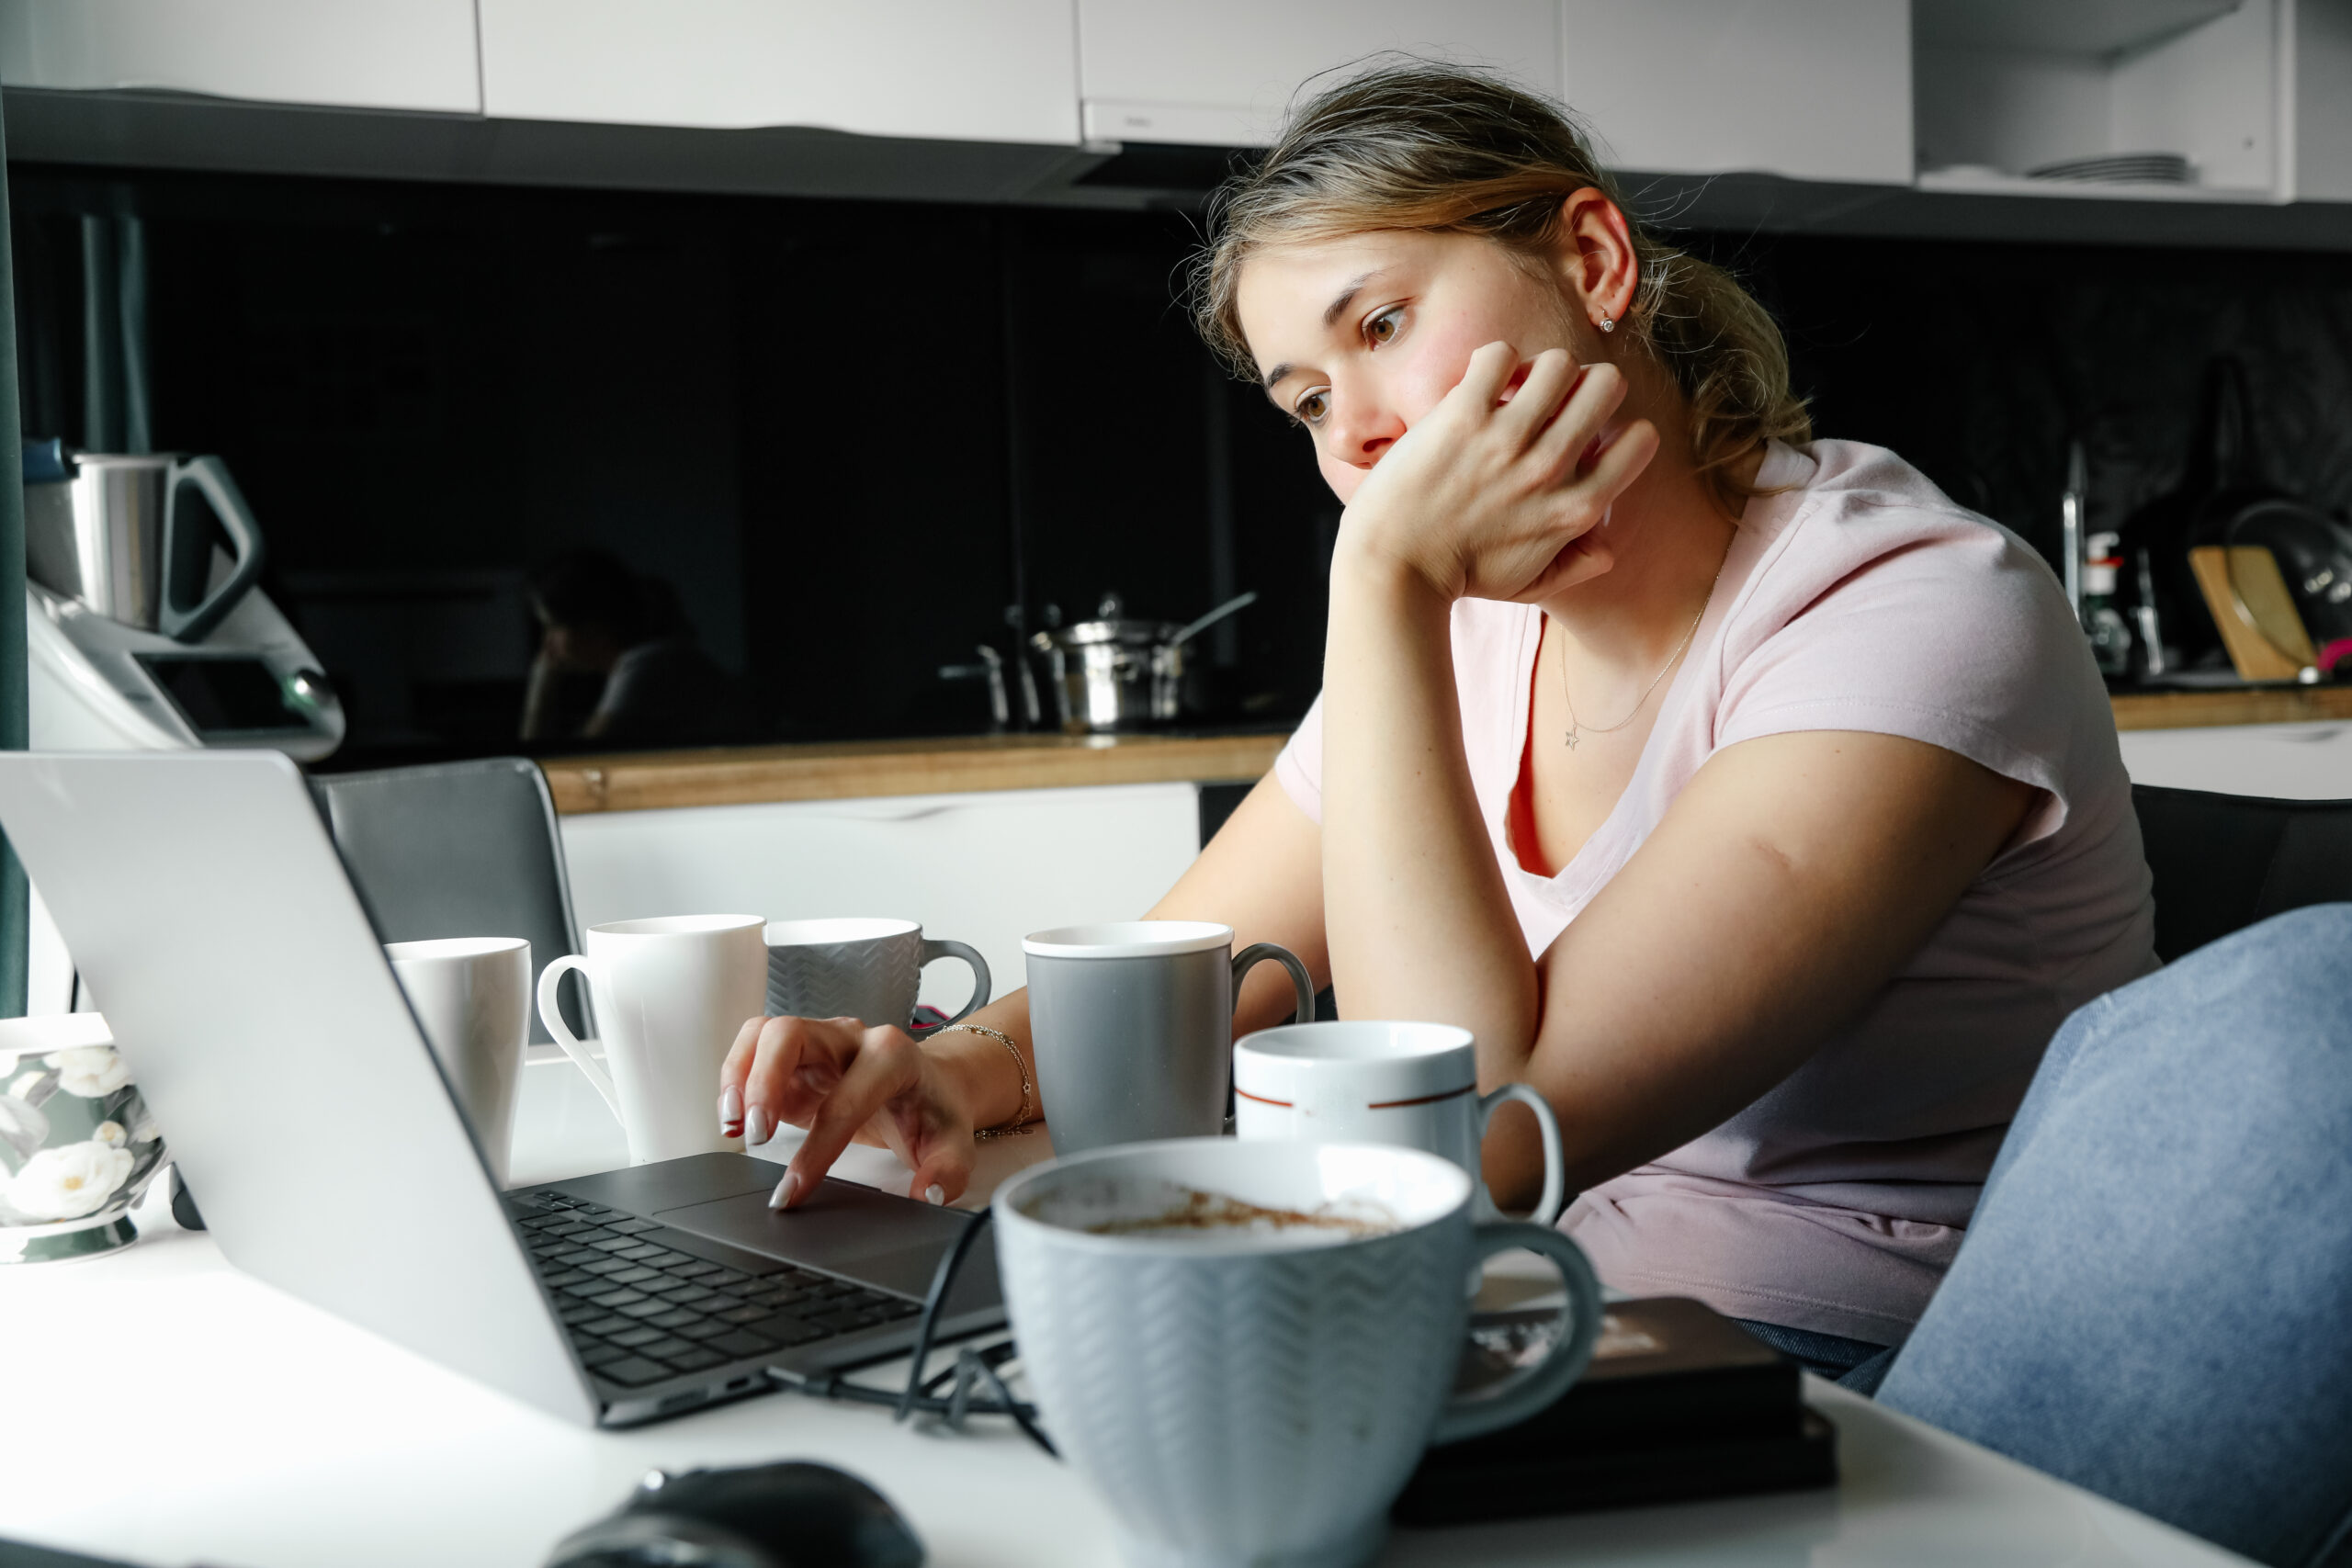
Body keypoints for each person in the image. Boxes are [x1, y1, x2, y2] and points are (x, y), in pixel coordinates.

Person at [716, 64, 2154, 1378]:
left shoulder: (1909, 605)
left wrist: (1382, 578)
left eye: (1384, 324)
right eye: (1307, 400)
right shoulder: (1466, 633)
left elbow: (1477, 1122)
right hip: (1520, 1295)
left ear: (1592, 262)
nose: (1356, 437)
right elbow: (1198, 976)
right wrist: (945, 1069)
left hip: (1846, 1362)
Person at [521, 549, 760, 749]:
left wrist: (540, 693)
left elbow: (569, 766)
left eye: (553, 627)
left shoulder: (647, 666)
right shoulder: (648, 661)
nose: (547, 643)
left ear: (595, 627)